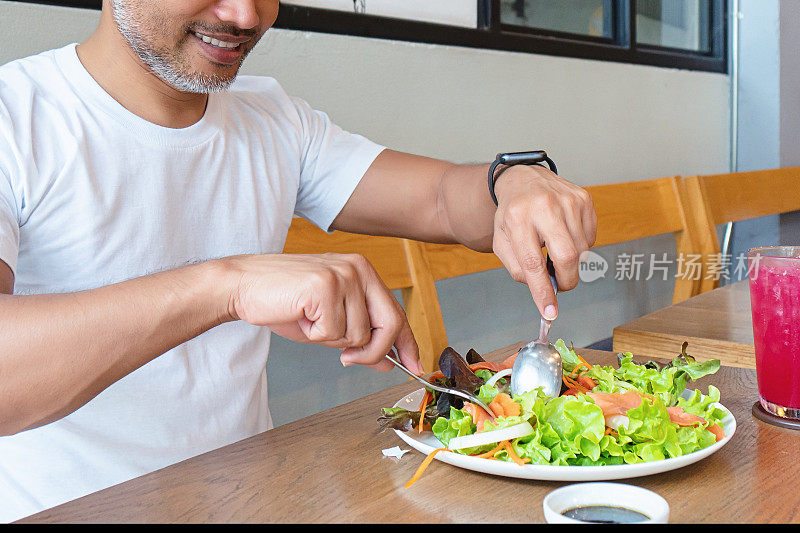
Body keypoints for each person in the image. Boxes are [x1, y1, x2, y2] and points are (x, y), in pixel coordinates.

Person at [0, 0, 596, 521]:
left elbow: (441, 199)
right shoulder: (16, 117)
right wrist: (225, 287)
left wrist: (512, 181)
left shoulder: (273, 119)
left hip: (252, 500)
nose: (246, 15)